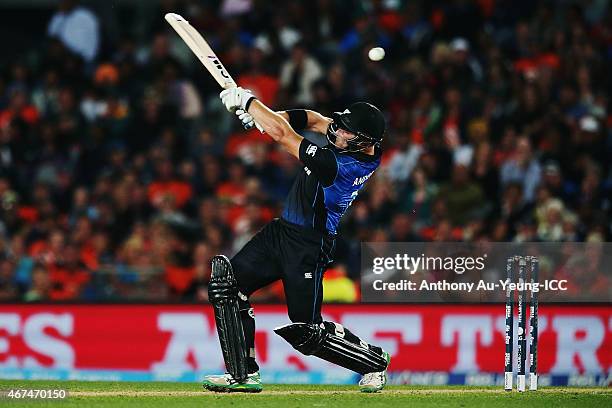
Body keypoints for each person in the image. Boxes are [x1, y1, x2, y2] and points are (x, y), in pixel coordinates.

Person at [202, 87, 390, 393]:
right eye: (341, 125)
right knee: (227, 286)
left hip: (309, 245)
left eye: (345, 131)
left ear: (363, 141)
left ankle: (373, 362)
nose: (337, 131)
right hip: (281, 232)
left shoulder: (339, 166)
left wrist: (250, 103)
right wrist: (264, 118)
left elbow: (284, 136)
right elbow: (312, 119)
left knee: (307, 331)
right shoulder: (357, 142)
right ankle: (242, 375)